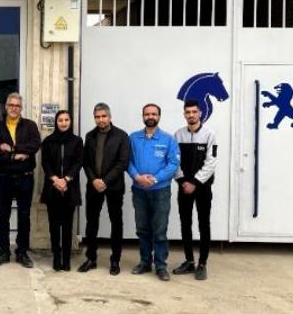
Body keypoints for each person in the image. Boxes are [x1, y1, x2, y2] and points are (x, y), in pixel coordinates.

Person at [0, 93, 42, 267]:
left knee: (24, 216)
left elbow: (35, 145)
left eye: (17, 106)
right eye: (11, 105)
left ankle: (22, 252)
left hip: (25, 178)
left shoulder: (30, 126)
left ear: (21, 108)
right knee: (3, 215)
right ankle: (3, 251)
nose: (14, 108)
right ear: (6, 107)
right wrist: (14, 156)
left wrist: (12, 148)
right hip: (4, 178)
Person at [128, 103, 179, 281]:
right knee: (142, 229)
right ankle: (144, 262)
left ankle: (161, 266)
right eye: (147, 114)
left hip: (160, 192)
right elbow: (127, 161)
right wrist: (137, 177)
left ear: (159, 116)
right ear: (143, 116)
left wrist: (155, 179)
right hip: (139, 191)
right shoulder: (133, 138)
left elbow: (173, 164)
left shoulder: (168, 139)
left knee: (159, 230)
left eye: (154, 114)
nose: (150, 117)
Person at [80, 102, 130, 275]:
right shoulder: (90, 136)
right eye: (97, 117)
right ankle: (91, 258)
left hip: (114, 187)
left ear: (110, 116)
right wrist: (94, 179)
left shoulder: (121, 136)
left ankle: (115, 260)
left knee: (116, 222)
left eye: (103, 116)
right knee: (91, 222)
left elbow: (122, 163)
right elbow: (85, 161)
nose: (101, 120)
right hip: (93, 186)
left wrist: (105, 181)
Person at [173, 98, 217, 281]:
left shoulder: (209, 134)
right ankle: (189, 261)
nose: (191, 115)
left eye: (194, 112)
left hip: (202, 188)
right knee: (185, 224)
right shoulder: (178, 135)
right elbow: (174, 161)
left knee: (203, 224)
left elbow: (211, 162)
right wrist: (183, 181)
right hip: (184, 188)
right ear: (184, 114)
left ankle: (202, 264)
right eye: (187, 112)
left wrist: (195, 183)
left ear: (200, 113)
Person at [40, 110, 83, 271]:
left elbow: (78, 162)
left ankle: (66, 259)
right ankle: (56, 257)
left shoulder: (77, 141)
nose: (63, 123)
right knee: (54, 226)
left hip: (69, 188)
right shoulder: (48, 141)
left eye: (66, 120)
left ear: (70, 122)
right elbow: (45, 163)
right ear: (56, 123)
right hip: (53, 188)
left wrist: (66, 179)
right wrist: (55, 179)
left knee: (67, 226)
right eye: (60, 120)